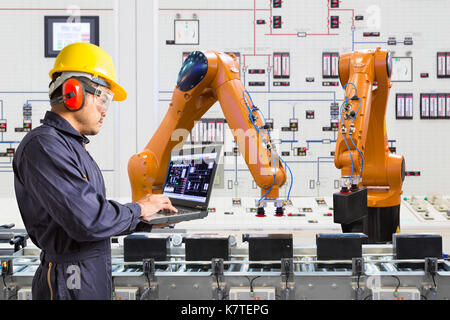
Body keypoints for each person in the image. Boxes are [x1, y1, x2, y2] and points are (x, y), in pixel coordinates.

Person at [12, 42, 177, 300]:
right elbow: (86, 220)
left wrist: (144, 219)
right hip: (70, 280)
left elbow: (92, 214)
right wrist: (138, 209)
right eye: (103, 97)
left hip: (87, 275)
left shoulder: (72, 146)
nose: (105, 110)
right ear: (73, 92)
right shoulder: (43, 146)